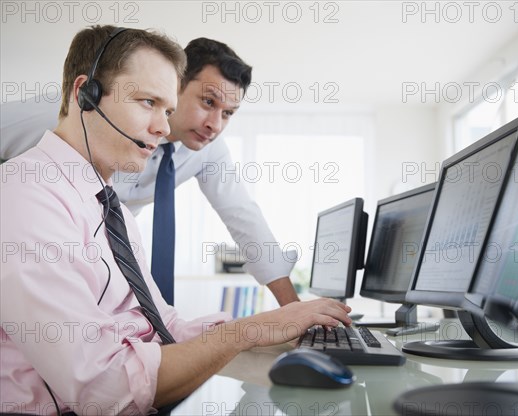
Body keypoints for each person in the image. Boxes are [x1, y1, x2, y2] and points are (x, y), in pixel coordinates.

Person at [0, 25, 351, 414]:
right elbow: (103, 389)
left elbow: (167, 319)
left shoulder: (114, 211)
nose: (164, 127)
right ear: (86, 94)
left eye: (166, 110)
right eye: (148, 102)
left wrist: (281, 321)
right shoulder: (26, 190)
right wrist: (241, 334)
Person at [0, 37, 299, 307]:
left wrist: (294, 310)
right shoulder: (79, 110)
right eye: (208, 102)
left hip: (103, 255)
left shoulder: (208, 151)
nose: (215, 124)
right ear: (175, 84)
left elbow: (244, 218)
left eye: (228, 113)